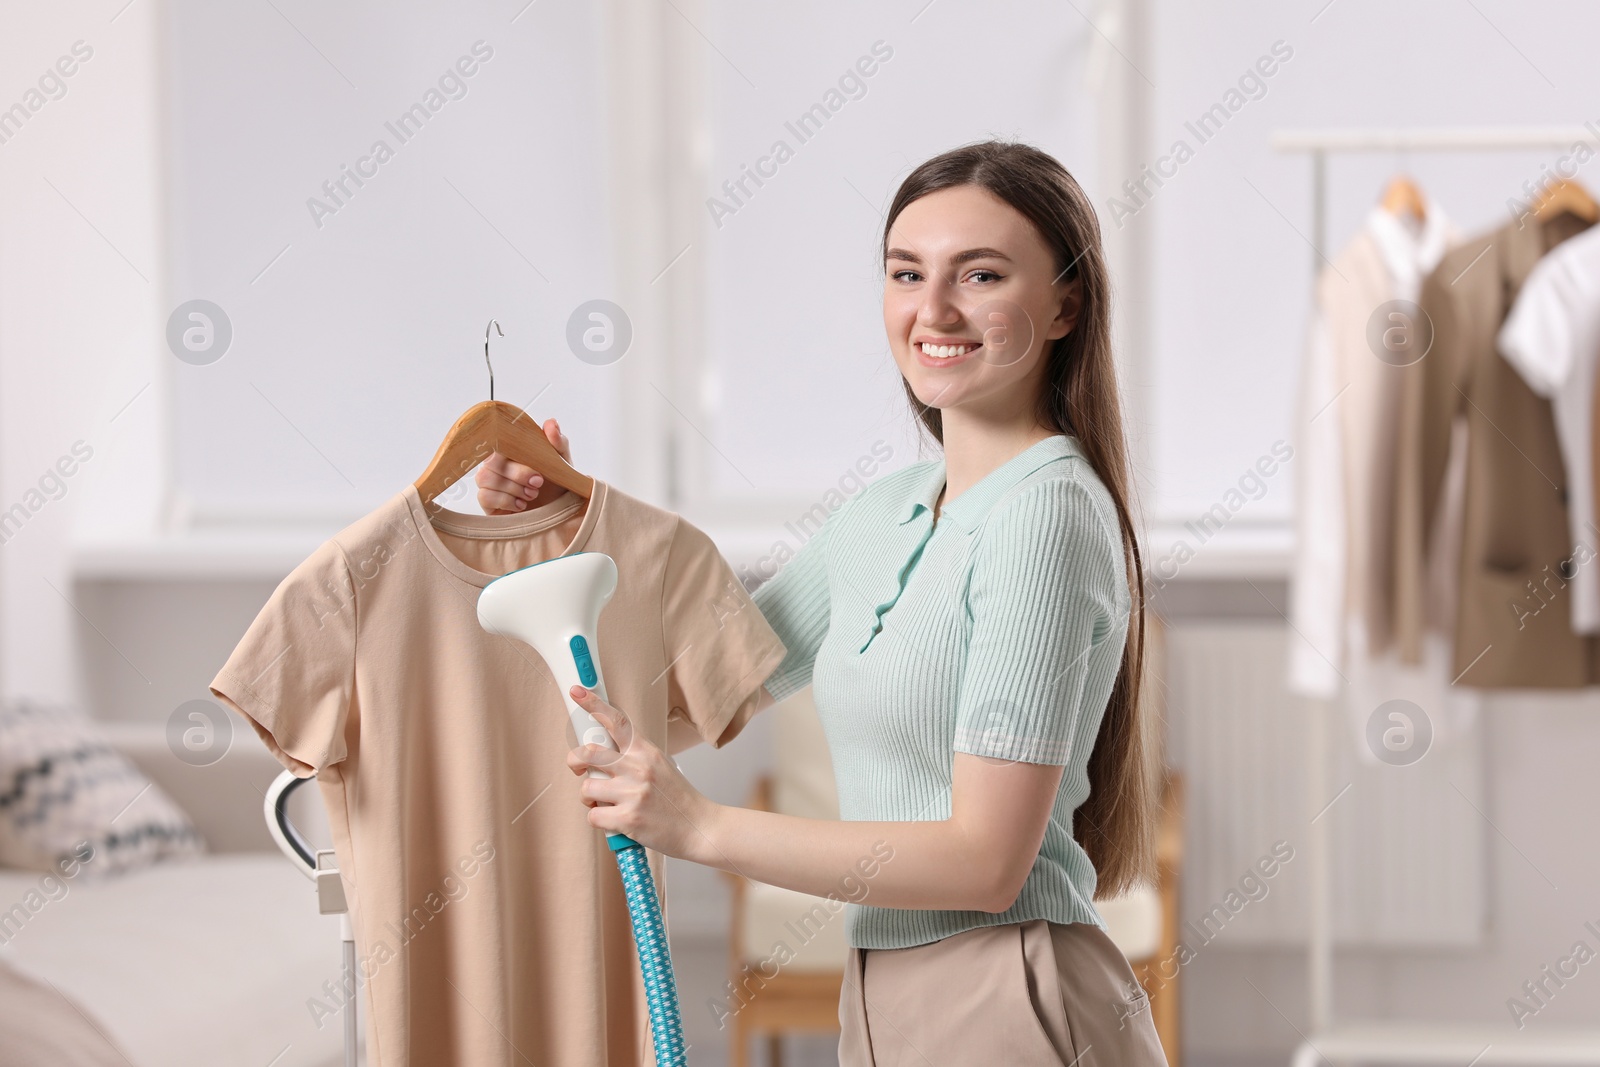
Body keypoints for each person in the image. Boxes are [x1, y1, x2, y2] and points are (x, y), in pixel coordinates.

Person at [476, 140, 1166, 1065]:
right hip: (881, 994)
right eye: (906, 273)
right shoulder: (881, 516)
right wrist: (555, 522)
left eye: (983, 274)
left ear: (1064, 306)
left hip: (1011, 995)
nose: (934, 309)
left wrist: (702, 827)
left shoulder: (1046, 513)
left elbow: (987, 861)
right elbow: (688, 699)